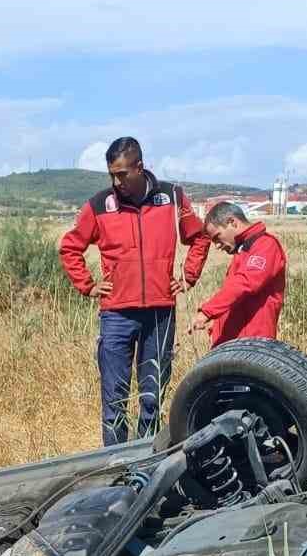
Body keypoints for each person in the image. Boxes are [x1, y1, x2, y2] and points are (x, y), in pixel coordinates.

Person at [59, 136, 209, 445]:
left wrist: (188, 275)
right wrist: (87, 285)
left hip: (160, 314)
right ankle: (115, 466)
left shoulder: (171, 197)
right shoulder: (100, 204)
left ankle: (147, 462)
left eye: (122, 174)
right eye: (111, 174)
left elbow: (200, 237)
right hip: (116, 315)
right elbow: (70, 247)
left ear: (139, 167)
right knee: (114, 402)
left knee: (152, 397)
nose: (116, 181)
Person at [187, 201, 286, 346]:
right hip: (235, 345)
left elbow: (244, 283)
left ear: (232, 222)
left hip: (252, 346)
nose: (218, 246)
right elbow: (235, 299)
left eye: (217, 237)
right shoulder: (243, 250)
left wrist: (207, 312)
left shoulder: (265, 246)